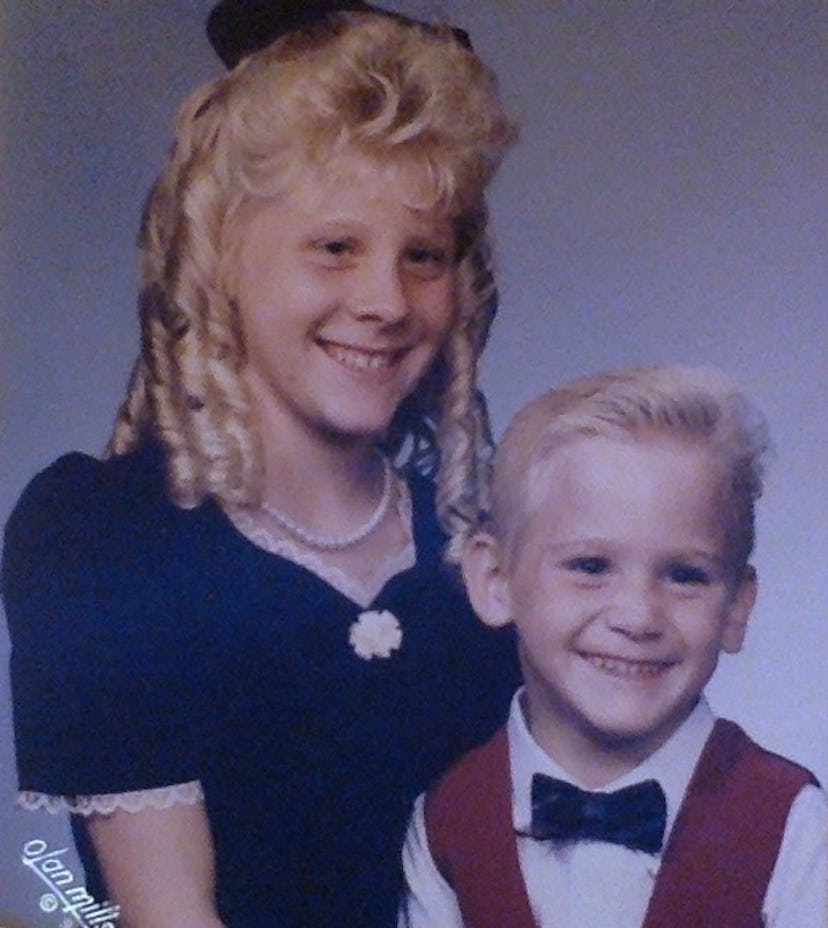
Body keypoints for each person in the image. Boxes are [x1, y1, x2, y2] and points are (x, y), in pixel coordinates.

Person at [2, 4, 520, 927]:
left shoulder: (479, 553)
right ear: (222, 257)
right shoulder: (106, 539)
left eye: (423, 256)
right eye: (335, 247)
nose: (385, 301)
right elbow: (167, 918)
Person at [399, 366, 828, 927]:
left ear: (737, 607)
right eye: (590, 566)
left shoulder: (791, 827)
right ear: (496, 580)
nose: (637, 616)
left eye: (685, 575)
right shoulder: (447, 823)